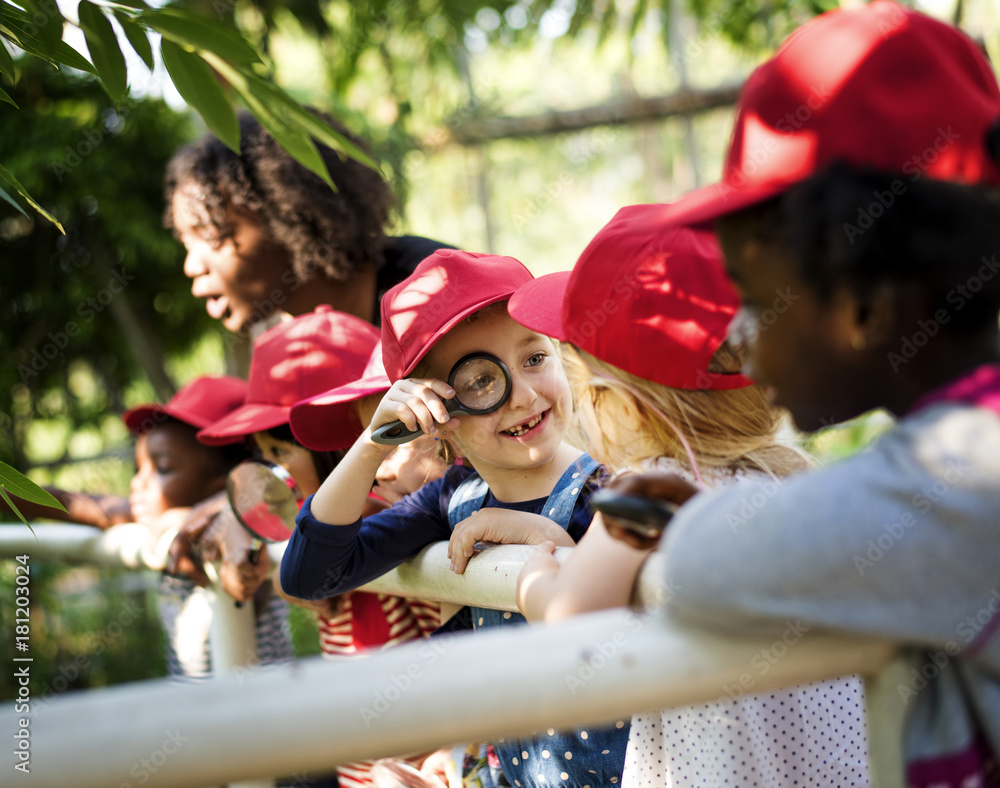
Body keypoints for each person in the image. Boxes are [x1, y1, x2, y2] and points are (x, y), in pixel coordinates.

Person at [620, 3, 1000, 786]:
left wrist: (689, 524)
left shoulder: (957, 471)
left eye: (758, 299)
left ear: (865, 308)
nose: (741, 337)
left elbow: (709, 572)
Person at [510, 207, 871, 786]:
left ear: (619, 406)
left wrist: (537, 578)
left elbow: (570, 616)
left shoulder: (657, 488)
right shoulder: (797, 478)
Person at [280, 249, 631, 788]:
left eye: (535, 358)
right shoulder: (452, 498)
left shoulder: (611, 493)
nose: (525, 396)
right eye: (482, 382)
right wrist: (373, 444)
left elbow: (623, 651)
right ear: (437, 416)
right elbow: (309, 573)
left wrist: (545, 541)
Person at [198, 309, 448, 788]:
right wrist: (234, 516)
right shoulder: (316, 531)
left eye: (280, 454)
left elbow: (314, 559)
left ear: (344, 446)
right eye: (262, 457)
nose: (269, 476)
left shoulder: (381, 518)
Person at [164, 110, 453, 336]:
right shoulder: (289, 355)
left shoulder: (437, 292)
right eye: (186, 243)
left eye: (212, 235)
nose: (191, 266)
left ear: (290, 211)